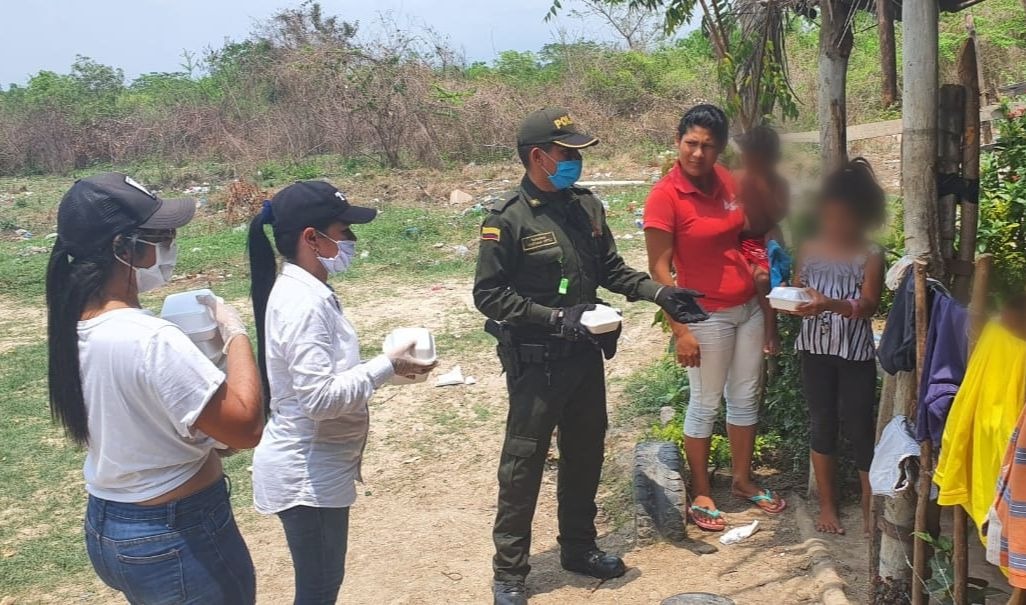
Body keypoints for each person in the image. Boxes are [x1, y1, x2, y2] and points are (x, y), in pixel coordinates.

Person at [474, 108, 707, 605]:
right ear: (538, 156)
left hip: (584, 357)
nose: (576, 161)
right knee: (524, 462)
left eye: (578, 153)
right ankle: (509, 571)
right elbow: (489, 296)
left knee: (585, 453)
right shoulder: (508, 218)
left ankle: (578, 548)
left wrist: (662, 294)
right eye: (567, 153)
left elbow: (612, 271)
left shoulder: (585, 207)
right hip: (536, 362)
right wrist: (554, 318)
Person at [46, 173, 265, 604]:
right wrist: (236, 333)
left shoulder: (73, 324)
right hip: (176, 532)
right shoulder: (150, 337)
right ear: (122, 248)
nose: (170, 246)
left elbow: (134, 415)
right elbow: (246, 426)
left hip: (112, 523)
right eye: (161, 236)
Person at [248, 181, 437, 605]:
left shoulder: (310, 291)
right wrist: (388, 364)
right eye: (344, 230)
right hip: (305, 472)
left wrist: (386, 369)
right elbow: (318, 400)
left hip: (319, 465)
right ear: (311, 237)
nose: (351, 239)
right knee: (318, 589)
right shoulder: (303, 304)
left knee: (322, 584)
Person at [643, 104, 786, 533]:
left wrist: (763, 268)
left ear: (720, 148)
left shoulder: (726, 181)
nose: (698, 153)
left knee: (744, 397)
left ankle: (742, 481)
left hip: (747, 308)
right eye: (691, 143)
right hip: (705, 315)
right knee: (705, 402)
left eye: (708, 145)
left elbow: (748, 232)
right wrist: (681, 328)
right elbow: (659, 271)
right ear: (677, 141)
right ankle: (703, 491)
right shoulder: (665, 196)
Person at [790, 158, 885, 535]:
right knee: (822, 424)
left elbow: (869, 306)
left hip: (856, 354)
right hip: (814, 351)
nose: (836, 225)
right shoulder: (810, 247)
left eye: (844, 218)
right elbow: (799, 287)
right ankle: (827, 504)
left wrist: (827, 304)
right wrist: (794, 301)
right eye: (830, 217)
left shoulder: (870, 253)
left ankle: (868, 505)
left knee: (861, 428)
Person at [734, 125, 790, 355]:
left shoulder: (777, 183)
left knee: (763, 277)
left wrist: (763, 186)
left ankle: (771, 330)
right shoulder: (735, 179)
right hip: (736, 240)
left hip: (762, 241)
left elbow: (778, 215)